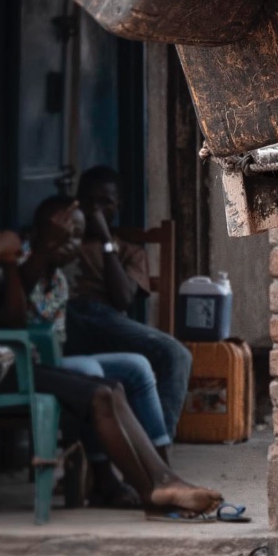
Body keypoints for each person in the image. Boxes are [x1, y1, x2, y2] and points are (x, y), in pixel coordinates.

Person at [0, 195, 223, 519]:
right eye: (64, 234)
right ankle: (106, 480)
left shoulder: (59, 279)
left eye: (76, 236)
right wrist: (44, 249)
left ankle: (165, 474)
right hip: (24, 367)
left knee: (137, 366)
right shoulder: (20, 261)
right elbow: (11, 317)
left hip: (52, 362)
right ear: (40, 235)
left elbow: (120, 300)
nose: (71, 243)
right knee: (91, 374)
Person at [63, 165, 192, 445]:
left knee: (175, 354)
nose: (96, 210)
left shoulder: (129, 251)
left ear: (118, 206)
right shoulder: (62, 239)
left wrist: (106, 242)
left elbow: (122, 298)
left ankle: (156, 447)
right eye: (90, 202)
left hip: (103, 322)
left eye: (105, 203)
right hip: (63, 319)